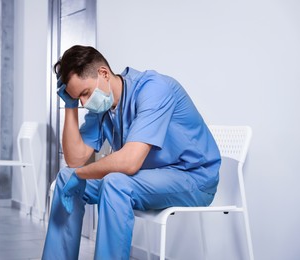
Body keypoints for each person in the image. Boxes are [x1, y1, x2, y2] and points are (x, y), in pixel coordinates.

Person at [42, 45, 221, 260]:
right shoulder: (103, 107)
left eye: (85, 93)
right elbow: (75, 159)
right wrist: (70, 107)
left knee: (115, 183)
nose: (84, 103)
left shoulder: (154, 89)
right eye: (77, 98)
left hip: (193, 178)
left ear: (103, 73)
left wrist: (81, 174)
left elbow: (129, 162)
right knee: (65, 178)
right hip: (149, 178)